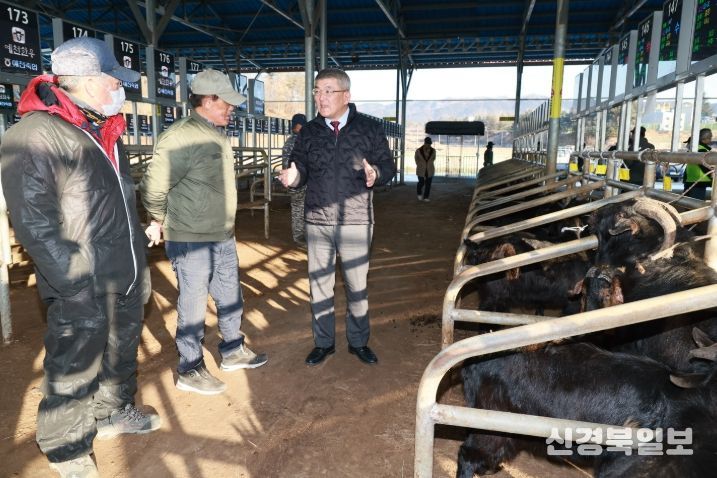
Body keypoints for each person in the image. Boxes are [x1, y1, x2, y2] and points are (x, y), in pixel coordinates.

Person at [0, 37, 160, 478]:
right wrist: (74, 280)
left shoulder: (102, 129)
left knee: (120, 351)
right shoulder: (35, 135)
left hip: (123, 269)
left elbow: (120, 202)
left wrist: (136, 264)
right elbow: (34, 222)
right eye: (115, 81)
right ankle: (67, 448)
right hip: (81, 278)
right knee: (74, 363)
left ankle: (112, 412)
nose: (120, 88)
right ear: (90, 81)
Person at [140, 69, 268, 396]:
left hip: (221, 233)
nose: (232, 108)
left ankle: (233, 348)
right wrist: (160, 219)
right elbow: (153, 187)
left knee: (229, 294)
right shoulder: (181, 136)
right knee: (194, 302)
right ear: (208, 101)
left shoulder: (215, 133)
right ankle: (190, 367)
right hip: (191, 237)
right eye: (226, 102)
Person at [279, 68, 396, 366]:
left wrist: (376, 173)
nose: (321, 97)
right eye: (317, 91)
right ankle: (323, 343)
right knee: (319, 285)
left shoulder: (370, 128)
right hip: (318, 220)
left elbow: (388, 166)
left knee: (357, 287)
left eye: (328, 91)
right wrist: (294, 177)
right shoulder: (309, 132)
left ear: (346, 95)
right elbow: (300, 168)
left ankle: (358, 342)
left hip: (356, 220)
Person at [283, 113, 308, 245]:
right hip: (297, 181)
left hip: (299, 181)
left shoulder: (292, 141)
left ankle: (301, 235)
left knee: (300, 208)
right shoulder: (297, 141)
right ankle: (299, 236)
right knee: (299, 208)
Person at [683, 128, 713, 200]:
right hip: (699, 181)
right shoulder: (702, 150)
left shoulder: (694, 148)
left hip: (690, 180)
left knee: (687, 203)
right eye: (710, 137)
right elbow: (706, 167)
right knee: (696, 203)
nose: (711, 139)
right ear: (705, 139)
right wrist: (712, 178)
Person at [415, 136, 436, 201]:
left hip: (430, 170)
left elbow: (433, 158)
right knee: (421, 182)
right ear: (425, 143)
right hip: (421, 169)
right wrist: (420, 165)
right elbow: (416, 159)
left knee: (428, 184)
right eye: (428, 144)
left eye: (430, 144)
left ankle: (426, 197)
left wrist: (429, 164)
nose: (429, 145)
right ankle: (419, 193)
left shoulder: (433, 150)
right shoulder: (418, 150)